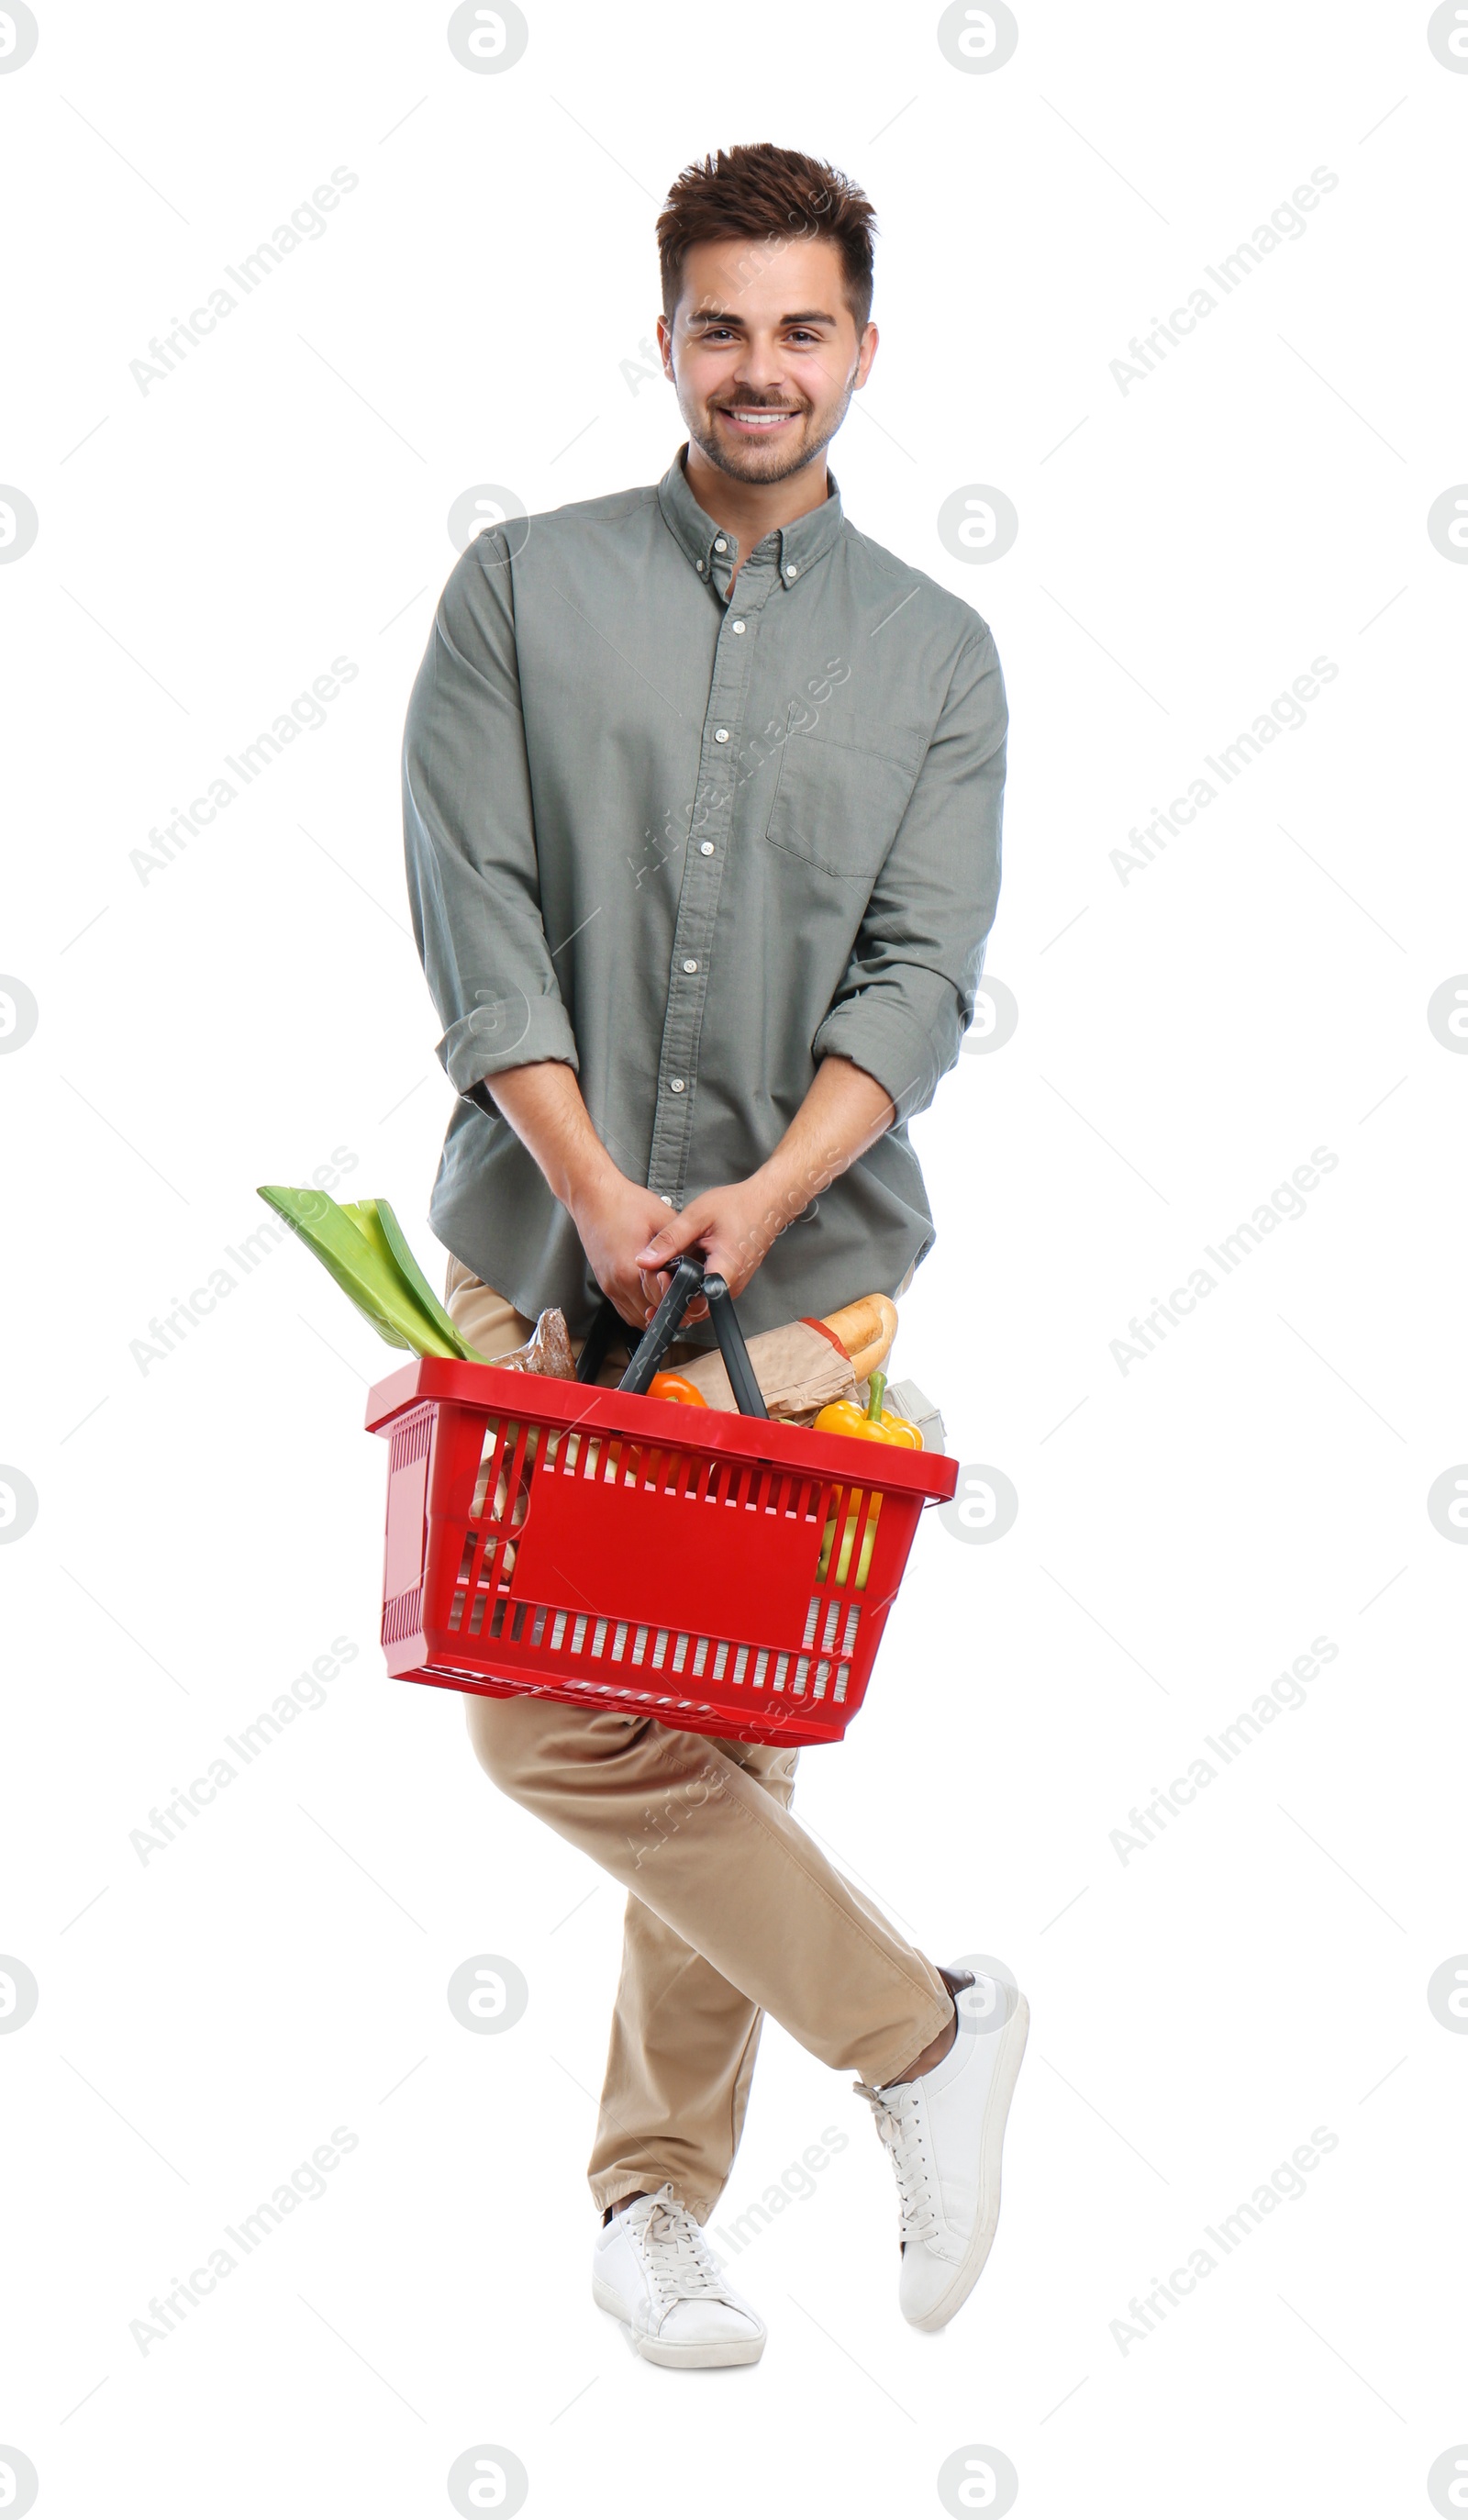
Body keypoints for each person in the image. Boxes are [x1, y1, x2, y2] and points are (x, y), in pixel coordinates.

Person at [401, 141, 1023, 2369]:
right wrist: (588, 1185)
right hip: (534, 1234)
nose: (761, 371)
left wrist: (749, 1207)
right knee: (538, 1717)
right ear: (660, 337)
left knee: (731, 1734)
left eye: (802, 328)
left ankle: (651, 2204)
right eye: (721, 327)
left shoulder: (935, 656)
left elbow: (914, 979)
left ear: (861, 344)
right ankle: (917, 2030)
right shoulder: (517, 591)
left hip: (799, 1271)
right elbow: (474, 906)